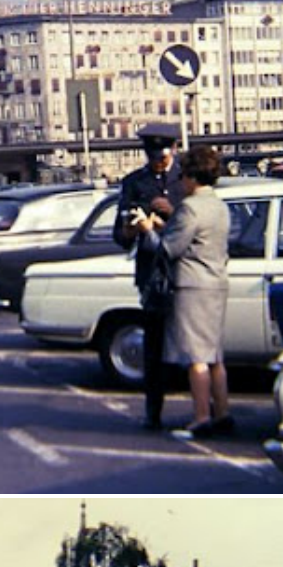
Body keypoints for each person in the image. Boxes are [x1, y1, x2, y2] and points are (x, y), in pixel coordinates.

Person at [132, 143, 232, 440]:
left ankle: (201, 417)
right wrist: (167, 225)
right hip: (217, 281)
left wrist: (147, 230)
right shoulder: (219, 205)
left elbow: (168, 249)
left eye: (184, 176)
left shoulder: (190, 207)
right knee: (215, 355)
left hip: (192, 286)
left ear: (191, 176)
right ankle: (223, 413)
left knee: (197, 357)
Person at [114, 122, 186, 431]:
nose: (158, 160)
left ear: (172, 151)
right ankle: (153, 412)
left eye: (163, 155)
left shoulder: (187, 180)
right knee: (153, 346)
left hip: (184, 270)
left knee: (194, 344)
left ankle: (204, 410)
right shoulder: (134, 183)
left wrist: (167, 213)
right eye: (153, 155)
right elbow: (120, 235)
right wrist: (132, 230)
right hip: (153, 274)